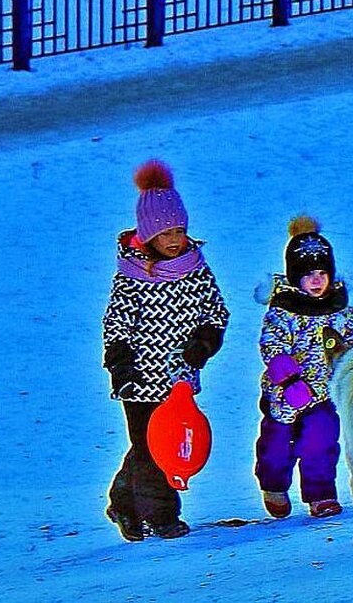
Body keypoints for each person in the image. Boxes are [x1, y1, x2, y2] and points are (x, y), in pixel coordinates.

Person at [102, 159, 229, 542]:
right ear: (148, 235)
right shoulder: (132, 276)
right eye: (166, 232)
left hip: (178, 379)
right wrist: (121, 364)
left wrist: (205, 342)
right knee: (148, 448)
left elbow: (216, 310)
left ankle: (123, 500)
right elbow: (116, 323)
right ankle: (161, 517)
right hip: (139, 380)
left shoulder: (196, 268)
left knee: (161, 444)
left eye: (179, 230)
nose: (175, 239)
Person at [254, 215, 353, 519]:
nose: (316, 280)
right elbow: (272, 346)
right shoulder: (283, 313)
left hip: (324, 395)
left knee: (322, 443)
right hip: (285, 396)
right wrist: (290, 381)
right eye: (308, 275)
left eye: (321, 273)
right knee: (277, 445)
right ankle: (274, 485)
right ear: (294, 278)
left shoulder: (342, 313)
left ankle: (321, 495)